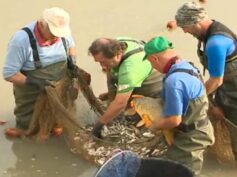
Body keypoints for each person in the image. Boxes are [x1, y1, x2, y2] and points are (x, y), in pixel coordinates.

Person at [143, 36, 215, 175]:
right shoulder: (186, 66)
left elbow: (174, 120)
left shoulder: (174, 81)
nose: (153, 68)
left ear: (154, 59)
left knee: (183, 172)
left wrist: (155, 126)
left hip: (191, 138)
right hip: (201, 126)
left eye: (151, 63)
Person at [175, 1, 237, 160]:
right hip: (229, 89)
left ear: (195, 22)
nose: (183, 31)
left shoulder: (215, 43)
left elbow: (216, 80)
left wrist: (195, 100)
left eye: (184, 27)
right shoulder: (211, 29)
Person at [3, 7, 77, 131]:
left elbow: (72, 47)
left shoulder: (63, 33)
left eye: (59, 33)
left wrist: (72, 62)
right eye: (53, 32)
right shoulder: (21, 40)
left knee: (59, 121)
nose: (56, 36)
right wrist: (36, 83)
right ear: (42, 24)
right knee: (30, 128)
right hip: (32, 93)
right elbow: (9, 74)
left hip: (59, 86)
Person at [88, 37, 163, 138]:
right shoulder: (117, 43)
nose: (102, 66)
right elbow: (110, 71)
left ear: (118, 55)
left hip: (152, 88)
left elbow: (120, 104)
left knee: (140, 125)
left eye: (103, 62)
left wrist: (99, 125)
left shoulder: (129, 70)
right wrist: (111, 94)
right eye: (99, 62)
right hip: (133, 80)